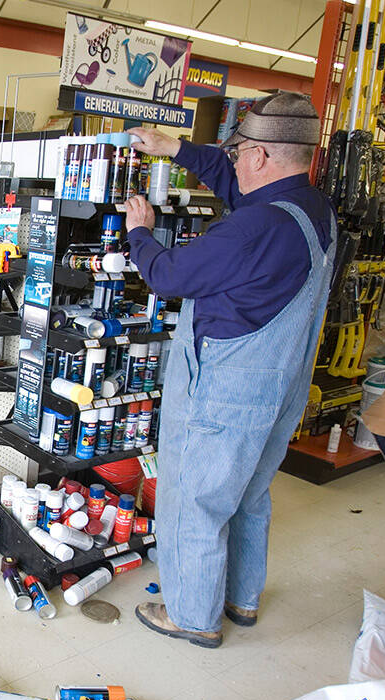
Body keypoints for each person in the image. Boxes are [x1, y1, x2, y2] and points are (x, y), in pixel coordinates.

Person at [122, 92, 337, 648]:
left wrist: (139, 232)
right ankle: (241, 598)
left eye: (239, 151)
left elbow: (169, 274)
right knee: (247, 493)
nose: (233, 161)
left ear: (263, 156)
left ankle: (192, 616)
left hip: (224, 390)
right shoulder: (312, 209)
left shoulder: (253, 230)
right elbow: (235, 183)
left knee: (193, 500)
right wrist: (176, 149)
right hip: (281, 386)